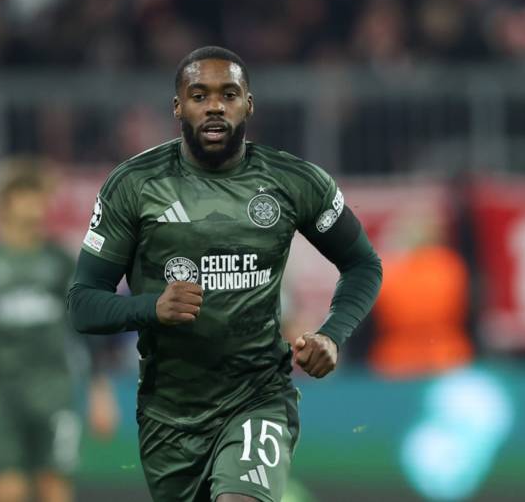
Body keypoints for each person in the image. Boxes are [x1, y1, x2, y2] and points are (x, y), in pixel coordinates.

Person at [67, 46, 383, 502]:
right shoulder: (134, 186)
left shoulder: (294, 181)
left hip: (259, 397)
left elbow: (363, 263)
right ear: (178, 106)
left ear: (248, 104)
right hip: (168, 416)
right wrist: (152, 308)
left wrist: (332, 334)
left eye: (228, 94)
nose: (214, 106)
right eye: (199, 95)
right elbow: (82, 303)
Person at [0, 166, 118, 502]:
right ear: (6, 203)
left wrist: (99, 389)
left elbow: (86, 326)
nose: (38, 206)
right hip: (7, 393)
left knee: (54, 485)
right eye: (28, 196)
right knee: (6, 489)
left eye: (41, 198)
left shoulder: (60, 261)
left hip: (55, 391)